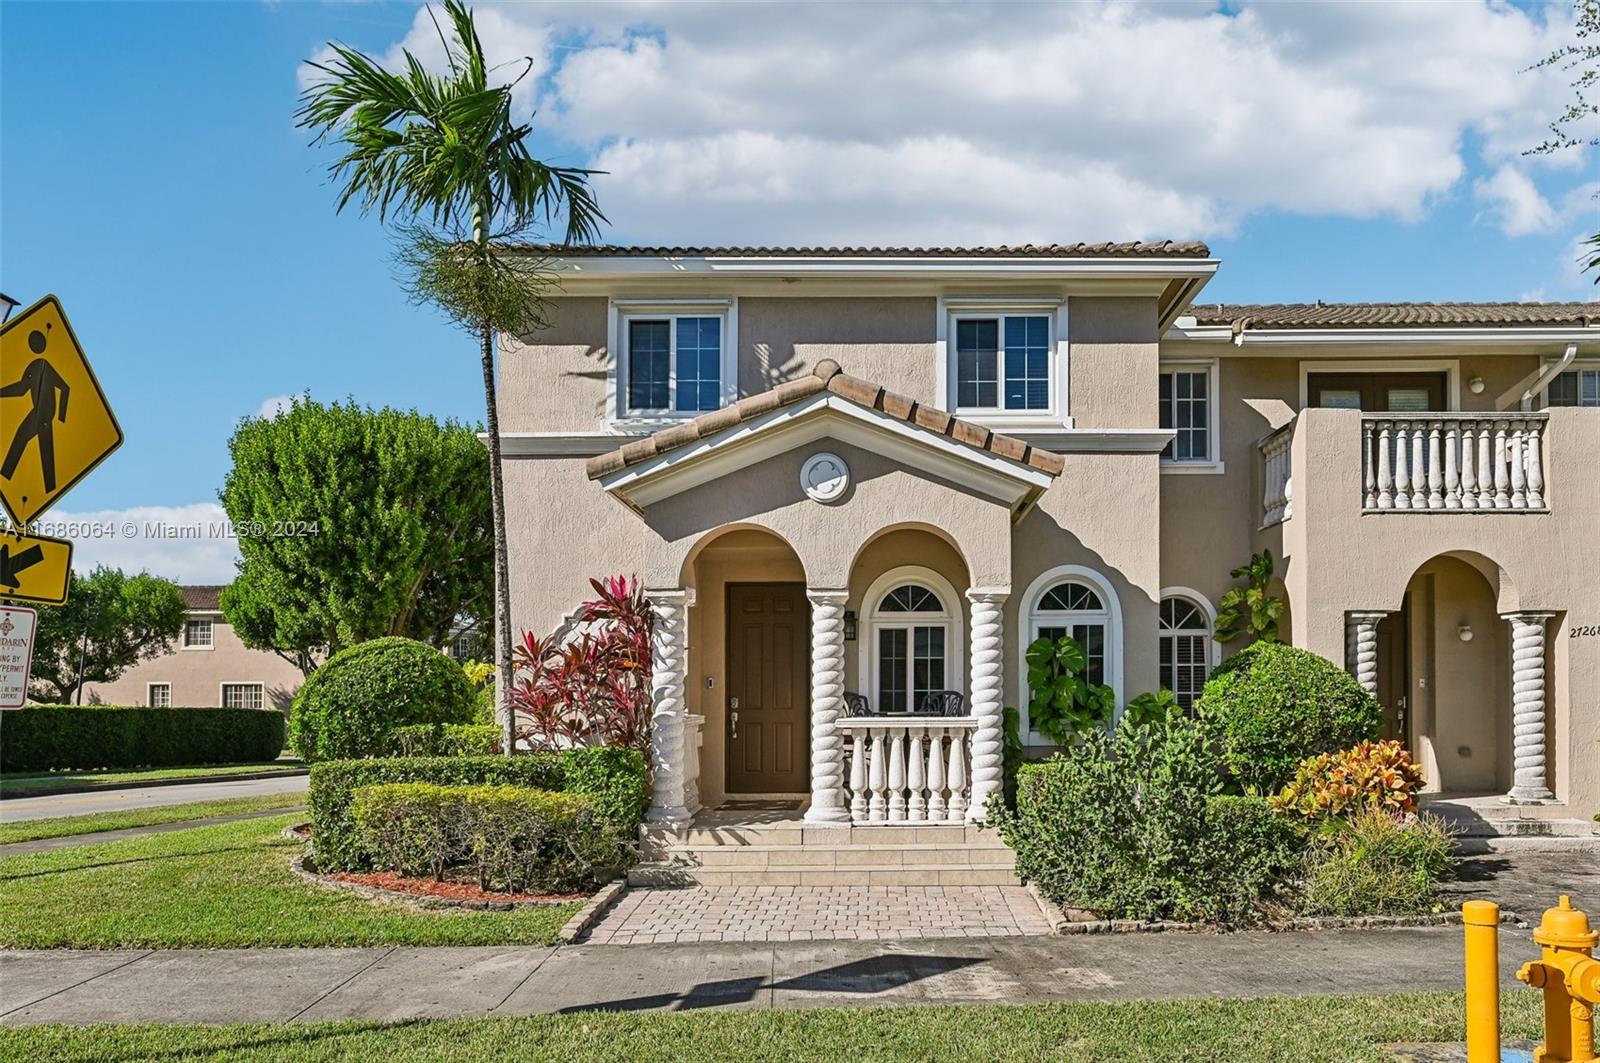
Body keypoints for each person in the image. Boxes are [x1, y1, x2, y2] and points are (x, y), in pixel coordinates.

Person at [1, 327, 70, 494]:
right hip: (42, 413)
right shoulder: (34, 366)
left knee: (21, 437)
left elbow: (65, 388)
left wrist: (61, 415)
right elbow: (21, 389)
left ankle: (5, 475)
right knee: (46, 450)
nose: (33, 344)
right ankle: (49, 487)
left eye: (35, 341)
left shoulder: (43, 365)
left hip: (43, 413)